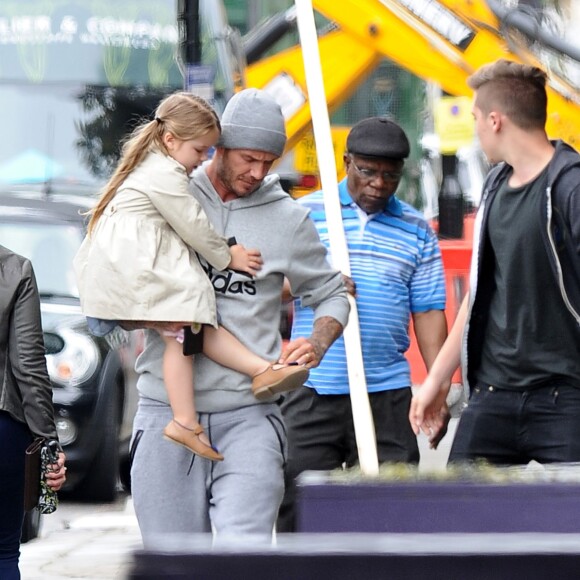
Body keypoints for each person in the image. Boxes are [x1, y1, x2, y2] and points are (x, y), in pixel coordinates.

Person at [129, 88, 350, 544]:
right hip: (163, 415)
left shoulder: (289, 219)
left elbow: (331, 294)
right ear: (220, 146)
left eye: (269, 162)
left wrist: (319, 342)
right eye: (249, 158)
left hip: (250, 416)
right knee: (173, 566)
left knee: (242, 559)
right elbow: (118, 286)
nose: (258, 172)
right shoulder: (171, 192)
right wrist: (148, 317)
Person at [74, 92, 309, 462]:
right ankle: (205, 406)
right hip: (133, 270)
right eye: (200, 151)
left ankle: (237, 386)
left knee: (184, 329)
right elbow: (193, 223)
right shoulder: (164, 173)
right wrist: (227, 256)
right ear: (171, 140)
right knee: (191, 316)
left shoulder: (151, 166)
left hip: (122, 271)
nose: (203, 161)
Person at [276, 117, 449, 532]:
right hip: (310, 387)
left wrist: (437, 390)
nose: (378, 184)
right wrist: (314, 280)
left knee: (390, 511)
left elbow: (427, 311)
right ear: (346, 161)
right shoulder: (305, 214)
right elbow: (264, 288)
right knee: (298, 504)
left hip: (385, 394)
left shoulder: (415, 230)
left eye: (390, 176)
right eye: (367, 172)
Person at [409, 59, 580, 465]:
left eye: (474, 118)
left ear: (495, 120)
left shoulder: (571, 187)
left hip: (565, 398)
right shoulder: (495, 185)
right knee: (454, 520)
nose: (475, 129)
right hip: (493, 395)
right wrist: (436, 381)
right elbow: (478, 291)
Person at [0, 246, 66, 579]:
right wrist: (49, 444)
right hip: (3, 429)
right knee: (3, 552)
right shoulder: (14, 269)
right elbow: (28, 367)